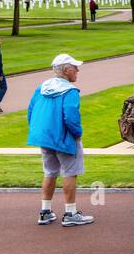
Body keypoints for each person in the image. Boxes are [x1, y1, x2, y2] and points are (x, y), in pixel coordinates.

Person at [26, 54, 94, 227]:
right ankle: (70, 213)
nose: (77, 70)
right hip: (63, 138)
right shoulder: (70, 91)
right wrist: (78, 133)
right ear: (66, 70)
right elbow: (71, 116)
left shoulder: (41, 87)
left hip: (45, 137)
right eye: (74, 67)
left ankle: (45, 211)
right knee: (70, 172)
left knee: (50, 172)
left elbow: (31, 111)